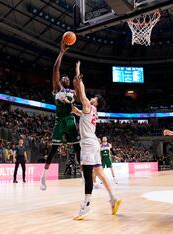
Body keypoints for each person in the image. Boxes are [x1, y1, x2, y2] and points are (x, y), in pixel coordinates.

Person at [71, 61, 121, 220]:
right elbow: (77, 111)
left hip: (88, 144)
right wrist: (69, 103)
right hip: (95, 144)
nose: (91, 98)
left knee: (87, 175)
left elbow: (82, 93)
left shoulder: (89, 106)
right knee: (99, 172)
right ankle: (113, 198)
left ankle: (86, 206)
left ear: (96, 103)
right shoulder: (92, 111)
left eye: (94, 98)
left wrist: (78, 71)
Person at [39, 42, 81, 191]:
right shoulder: (57, 88)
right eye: (64, 78)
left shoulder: (72, 92)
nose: (66, 79)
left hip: (70, 120)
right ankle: (43, 176)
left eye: (67, 79)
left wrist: (78, 76)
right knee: (53, 149)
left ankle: (85, 175)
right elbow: (55, 69)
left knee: (78, 148)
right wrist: (61, 53)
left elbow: (78, 96)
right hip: (59, 120)